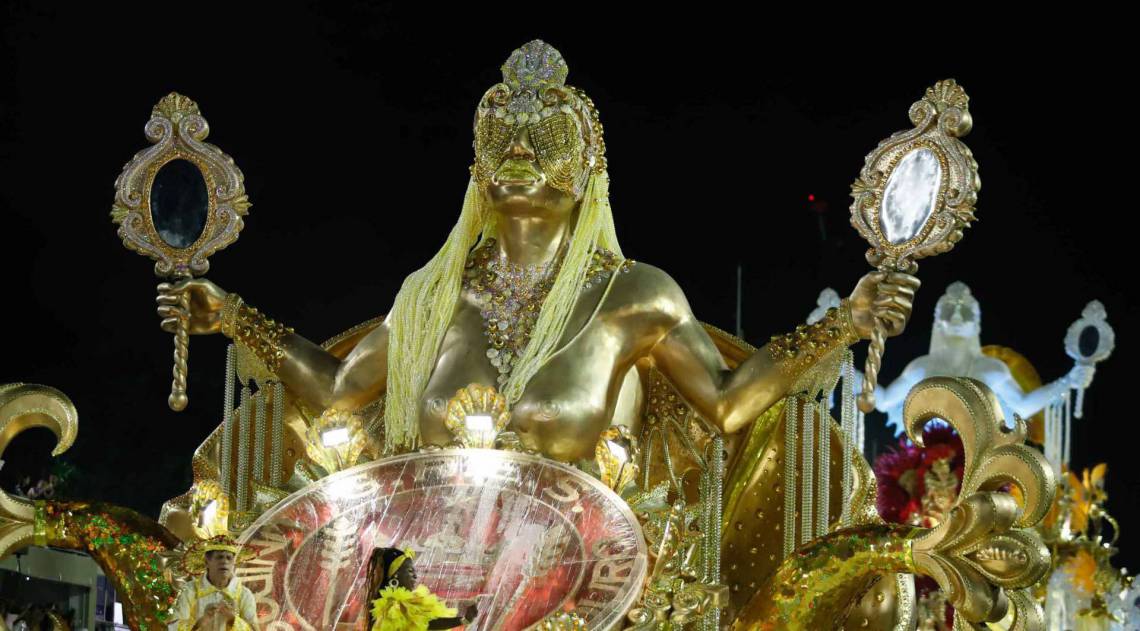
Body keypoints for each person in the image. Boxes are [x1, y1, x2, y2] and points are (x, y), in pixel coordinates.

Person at [157, 39, 918, 463]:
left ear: (589, 172)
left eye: (545, 137)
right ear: (477, 169)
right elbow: (336, 389)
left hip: (592, 582)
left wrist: (846, 321)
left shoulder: (635, 294)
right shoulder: (432, 295)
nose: (519, 148)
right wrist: (229, 315)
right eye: (502, 135)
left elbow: (724, 403)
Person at [874, 281, 1094, 434]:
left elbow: (1024, 407)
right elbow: (884, 401)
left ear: (977, 322)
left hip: (982, 465)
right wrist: (847, 370)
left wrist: (1068, 381)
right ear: (938, 321)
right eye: (949, 311)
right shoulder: (921, 368)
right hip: (929, 467)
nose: (957, 318)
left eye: (966, 312)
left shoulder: (992, 370)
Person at [364, 548, 476, 631]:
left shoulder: (410, 600)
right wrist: (463, 620)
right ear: (395, 575)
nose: (415, 576)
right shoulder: (392, 605)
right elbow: (426, 622)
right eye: (410, 571)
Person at [168, 536, 257, 631]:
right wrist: (199, 623)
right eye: (219, 557)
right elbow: (173, 627)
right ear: (207, 562)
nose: (224, 562)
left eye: (229, 558)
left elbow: (254, 629)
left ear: (233, 563)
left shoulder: (244, 594)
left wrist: (233, 619)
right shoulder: (189, 590)